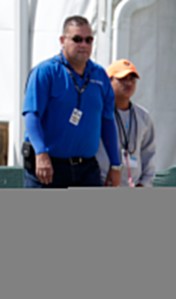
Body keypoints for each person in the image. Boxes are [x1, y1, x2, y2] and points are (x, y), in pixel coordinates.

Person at [22, 15, 121, 188]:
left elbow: (107, 121)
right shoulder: (46, 72)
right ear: (63, 40)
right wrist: (41, 154)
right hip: (49, 167)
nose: (84, 45)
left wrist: (115, 164)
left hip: (86, 169)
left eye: (89, 40)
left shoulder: (100, 76)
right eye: (77, 39)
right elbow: (32, 115)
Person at [95, 59, 156, 187]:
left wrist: (144, 183)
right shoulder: (98, 113)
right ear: (109, 81)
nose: (129, 83)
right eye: (122, 79)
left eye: (132, 79)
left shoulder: (143, 117)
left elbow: (148, 153)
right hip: (104, 183)